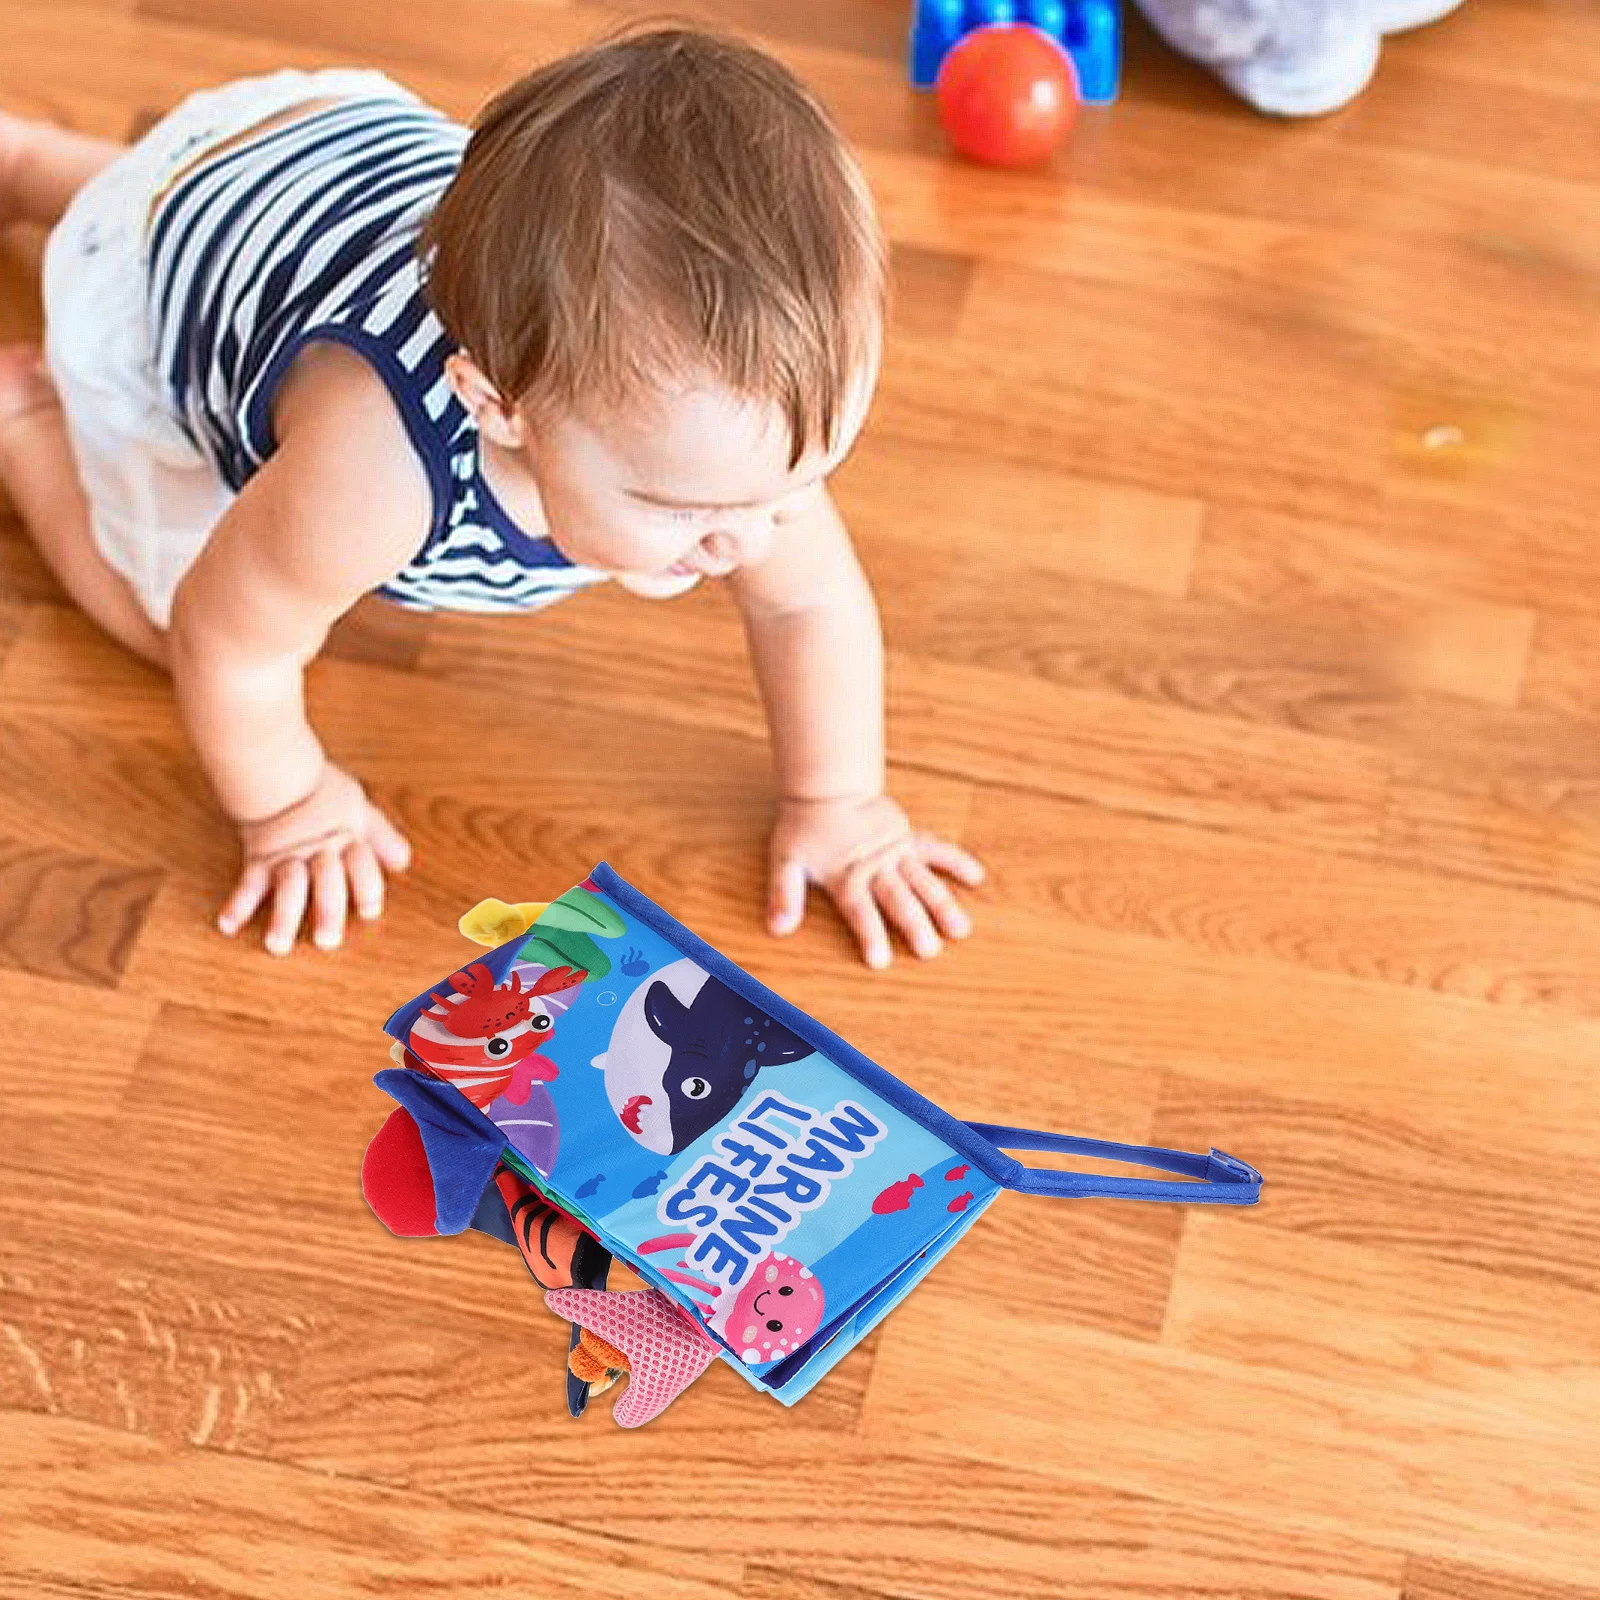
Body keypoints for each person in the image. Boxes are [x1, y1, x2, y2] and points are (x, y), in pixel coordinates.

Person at [0, 28, 984, 967]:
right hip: (190, 267)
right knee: (170, 627)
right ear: (494, 404)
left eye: (803, 482)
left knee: (161, 195)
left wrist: (841, 804)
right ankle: (26, 416)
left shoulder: (741, 461)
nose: (748, 538)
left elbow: (808, 603)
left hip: (317, 163)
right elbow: (232, 638)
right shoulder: (375, 468)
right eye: (681, 509)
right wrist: (288, 803)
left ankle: (32, 159)